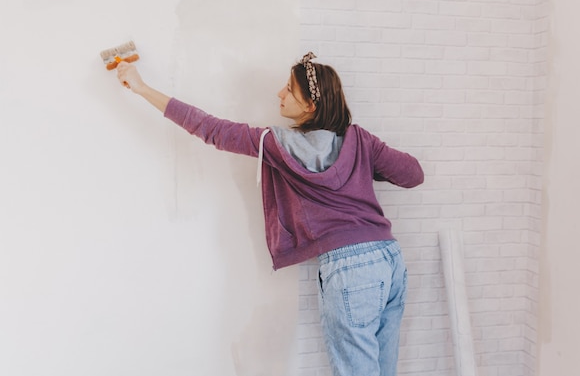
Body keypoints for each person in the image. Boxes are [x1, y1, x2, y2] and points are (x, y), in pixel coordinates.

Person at [115, 52, 424, 376]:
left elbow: (210, 129)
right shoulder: (360, 140)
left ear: (310, 106)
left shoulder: (276, 143)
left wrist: (141, 88)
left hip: (349, 269)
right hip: (389, 260)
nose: (280, 93)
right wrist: (362, 165)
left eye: (289, 89)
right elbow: (413, 174)